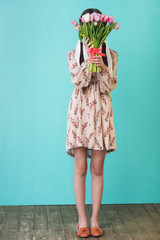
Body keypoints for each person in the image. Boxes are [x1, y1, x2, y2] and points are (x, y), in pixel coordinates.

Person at [66, 8, 119, 238]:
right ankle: (82, 220)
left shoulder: (112, 54)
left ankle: (96, 219)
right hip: (80, 114)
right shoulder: (73, 54)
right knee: (81, 168)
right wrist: (88, 62)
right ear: (82, 30)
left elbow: (111, 85)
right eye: (88, 27)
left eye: (96, 27)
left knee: (97, 169)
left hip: (101, 113)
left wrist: (102, 65)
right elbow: (78, 82)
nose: (92, 31)